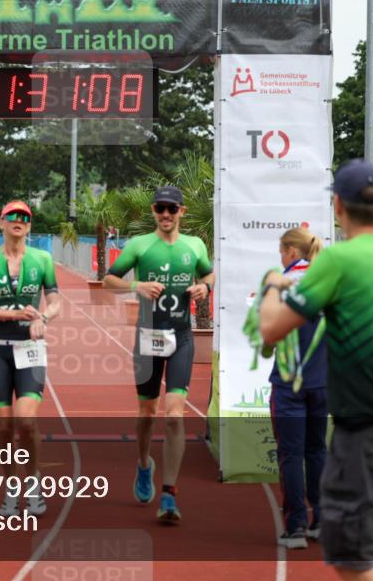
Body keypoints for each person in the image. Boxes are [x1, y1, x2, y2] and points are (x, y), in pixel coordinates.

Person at [259, 159, 373, 580]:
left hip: (366, 427)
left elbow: (271, 329)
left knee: (352, 557)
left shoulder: (337, 261)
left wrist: (272, 285)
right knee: (355, 551)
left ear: (338, 206)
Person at [103, 185, 215, 523]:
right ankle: (143, 464)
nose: (166, 214)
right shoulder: (139, 245)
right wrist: (136, 286)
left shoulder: (194, 245)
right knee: (147, 413)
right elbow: (109, 280)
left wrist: (205, 286)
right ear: (153, 211)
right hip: (147, 338)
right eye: (160, 208)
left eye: (172, 208)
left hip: (181, 336)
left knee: (174, 414)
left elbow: (208, 272)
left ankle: (169, 494)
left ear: (181, 212)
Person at [0, 200, 61, 516]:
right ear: (2, 222)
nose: (18, 221)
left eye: (25, 217)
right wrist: (12, 315)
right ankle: (10, 487)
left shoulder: (43, 259)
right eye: (12, 216)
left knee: (27, 421)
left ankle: (33, 484)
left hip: (30, 348)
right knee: (4, 427)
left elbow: (56, 302)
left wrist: (43, 318)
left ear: (29, 225)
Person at [269, 227, 328, 549]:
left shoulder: (283, 282)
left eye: (281, 251)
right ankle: (321, 520)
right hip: (322, 381)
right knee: (317, 450)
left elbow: (268, 333)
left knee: (290, 454)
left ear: (292, 251)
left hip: (289, 383)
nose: (281, 258)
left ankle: (295, 528)